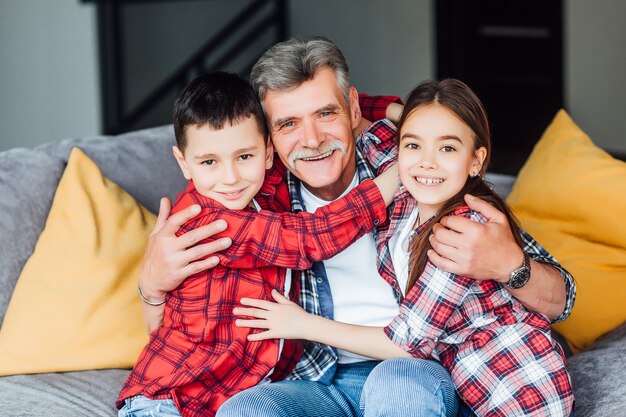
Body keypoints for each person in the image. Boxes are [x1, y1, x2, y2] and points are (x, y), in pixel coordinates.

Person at [138, 37, 576, 416]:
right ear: (267, 140)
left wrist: (510, 267)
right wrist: (151, 286)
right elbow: (177, 331)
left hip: (410, 366)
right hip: (315, 376)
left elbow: (562, 298)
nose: (311, 140)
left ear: (351, 109)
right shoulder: (250, 192)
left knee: (397, 388)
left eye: (326, 113)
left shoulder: (411, 163)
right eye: (288, 124)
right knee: (245, 409)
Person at [234, 79, 575, 417]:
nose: (427, 162)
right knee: (248, 409)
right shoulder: (400, 188)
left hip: (511, 391)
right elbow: (373, 113)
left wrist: (300, 323)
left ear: (476, 160)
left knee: (399, 390)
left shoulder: (463, 227)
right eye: (413, 146)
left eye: (448, 148)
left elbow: (407, 341)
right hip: (328, 376)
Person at [116, 71, 399, 417]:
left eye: (244, 157)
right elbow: (310, 238)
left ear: (267, 153)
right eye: (209, 162)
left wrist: (396, 111)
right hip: (169, 399)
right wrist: (398, 175)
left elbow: (330, 107)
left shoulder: (264, 187)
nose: (230, 177)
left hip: (220, 399)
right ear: (184, 163)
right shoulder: (209, 220)